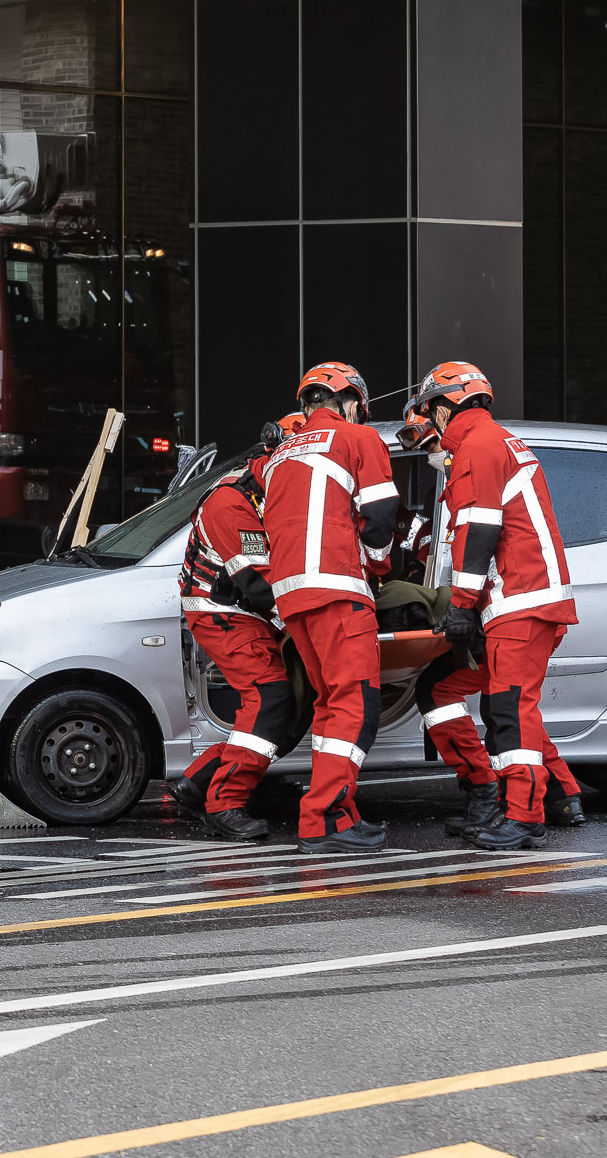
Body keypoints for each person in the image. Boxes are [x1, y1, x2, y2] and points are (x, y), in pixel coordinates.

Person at [411, 361, 579, 849]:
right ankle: (546, 797)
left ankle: (522, 815)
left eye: (429, 412)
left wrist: (461, 604)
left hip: (520, 597)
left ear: (447, 405)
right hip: (524, 596)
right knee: (504, 701)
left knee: (509, 706)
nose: (429, 425)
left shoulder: (479, 447)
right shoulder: (490, 440)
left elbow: (479, 529)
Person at [260, 361, 399, 853]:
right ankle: (325, 818)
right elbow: (381, 516)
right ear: (350, 400)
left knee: (330, 706)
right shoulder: (358, 440)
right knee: (357, 705)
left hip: (292, 597)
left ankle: (334, 809)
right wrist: (378, 567)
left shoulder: (278, 457)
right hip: (338, 587)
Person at [167, 421, 294, 840]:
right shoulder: (232, 505)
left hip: (240, 611)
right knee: (270, 699)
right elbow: (258, 581)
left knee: (285, 707)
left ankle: (200, 781)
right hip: (224, 613)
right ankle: (226, 800)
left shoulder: (268, 490)